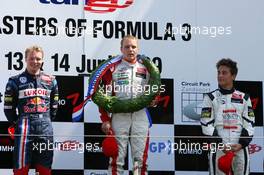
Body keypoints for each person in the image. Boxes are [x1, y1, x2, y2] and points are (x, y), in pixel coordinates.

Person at [98, 35, 158, 175]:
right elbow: (104, 97)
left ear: (138, 49)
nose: (130, 50)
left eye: (133, 47)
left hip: (140, 116)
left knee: (139, 160)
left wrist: (155, 100)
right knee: (117, 159)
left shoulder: (147, 68)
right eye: (127, 47)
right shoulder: (113, 69)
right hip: (119, 117)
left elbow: (155, 91)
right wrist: (105, 119)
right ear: (121, 49)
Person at [4, 45, 59, 175]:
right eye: (32, 58)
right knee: (21, 167)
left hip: (45, 127)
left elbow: (54, 107)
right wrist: (18, 123)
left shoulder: (51, 81)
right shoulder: (15, 81)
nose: (35, 62)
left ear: (42, 60)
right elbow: (8, 109)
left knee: (45, 168)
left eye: (38, 59)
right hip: (24, 126)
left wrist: (46, 120)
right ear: (26, 59)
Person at [200, 58, 255, 175]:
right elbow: (206, 124)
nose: (220, 76)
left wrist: (241, 143)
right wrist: (220, 144)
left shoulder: (244, 98)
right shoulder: (210, 97)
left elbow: (250, 123)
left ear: (233, 76)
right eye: (218, 72)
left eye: (224, 73)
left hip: (240, 148)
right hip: (219, 148)